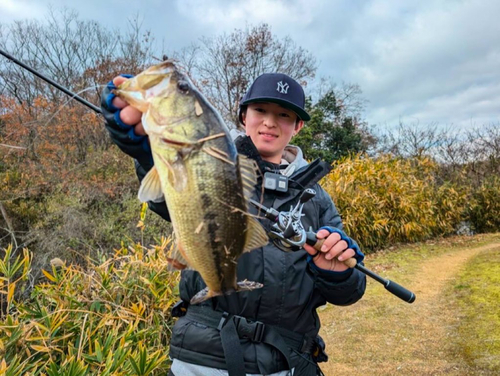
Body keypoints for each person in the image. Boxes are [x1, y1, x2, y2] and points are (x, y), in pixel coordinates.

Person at [101, 71, 366, 376]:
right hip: (201, 359)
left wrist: (337, 273)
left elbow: (350, 291)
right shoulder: (207, 158)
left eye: (283, 115)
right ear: (243, 116)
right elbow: (167, 194)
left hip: (287, 362)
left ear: (298, 126)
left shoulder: (318, 199)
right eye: (260, 111)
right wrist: (147, 154)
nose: (269, 122)